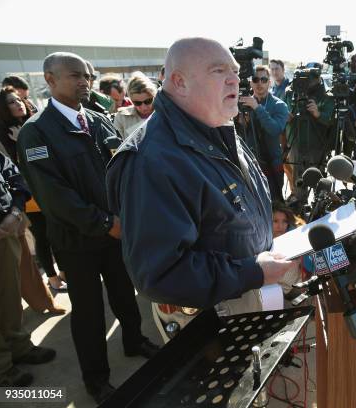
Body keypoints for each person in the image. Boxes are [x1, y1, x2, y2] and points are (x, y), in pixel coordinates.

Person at [106, 38, 293, 316]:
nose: (235, 81)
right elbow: (161, 274)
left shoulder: (215, 126)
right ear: (180, 82)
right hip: (215, 312)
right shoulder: (151, 160)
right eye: (219, 71)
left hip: (254, 291)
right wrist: (252, 272)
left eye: (235, 72)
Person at [16, 52, 159, 404]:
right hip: (78, 239)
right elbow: (53, 196)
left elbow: (121, 169)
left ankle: (133, 339)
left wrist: (129, 215)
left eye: (87, 76)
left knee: (125, 291)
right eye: (75, 76)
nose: (84, 82)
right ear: (50, 79)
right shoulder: (36, 133)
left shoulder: (97, 120)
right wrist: (104, 223)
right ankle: (96, 378)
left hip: (116, 231)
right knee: (89, 311)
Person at [0, 86, 67, 292]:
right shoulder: (2, 134)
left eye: (18, 99)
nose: (18, 103)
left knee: (59, 232)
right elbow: (13, 170)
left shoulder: (37, 122)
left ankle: (63, 273)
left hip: (53, 187)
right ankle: (53, 278)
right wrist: (21, 142)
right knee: (43, 236)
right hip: (30, 195)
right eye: (11, 101)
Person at [0, 149, 56, 387]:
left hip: (5, 233)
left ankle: (19, 347)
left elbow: (14, 176)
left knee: (9, 298)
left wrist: (14, 212)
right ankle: (1, 368)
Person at [237, 65, 289, 201]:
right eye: (255, 79)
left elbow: (275, 130)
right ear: (250, 82)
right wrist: (242, 123)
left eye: (264, 79)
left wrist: (257, 108)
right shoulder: (242, 105)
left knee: (275, 205)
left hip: (272, 165)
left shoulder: (279, 105)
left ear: (269, 82)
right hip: (248, 165)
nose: (259, 83)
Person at [284, 68, 334, 201]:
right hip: (296, 141)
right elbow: (284, 112)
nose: (307, 83)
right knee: (298, 180)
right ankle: (299, 203)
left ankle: (321, 204)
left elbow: (331, 121)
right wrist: (287, 115)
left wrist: (318, 114)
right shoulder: (290, 93)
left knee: (318, 178)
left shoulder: (325, 96)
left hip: (317, 143)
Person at [113, 73, 157, 138]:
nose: (143, 107)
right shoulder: (121, 117)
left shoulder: (165, 113)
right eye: (137, 103)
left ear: (154, 96)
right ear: (131, 100)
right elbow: (118, 145)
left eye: (148, 101)